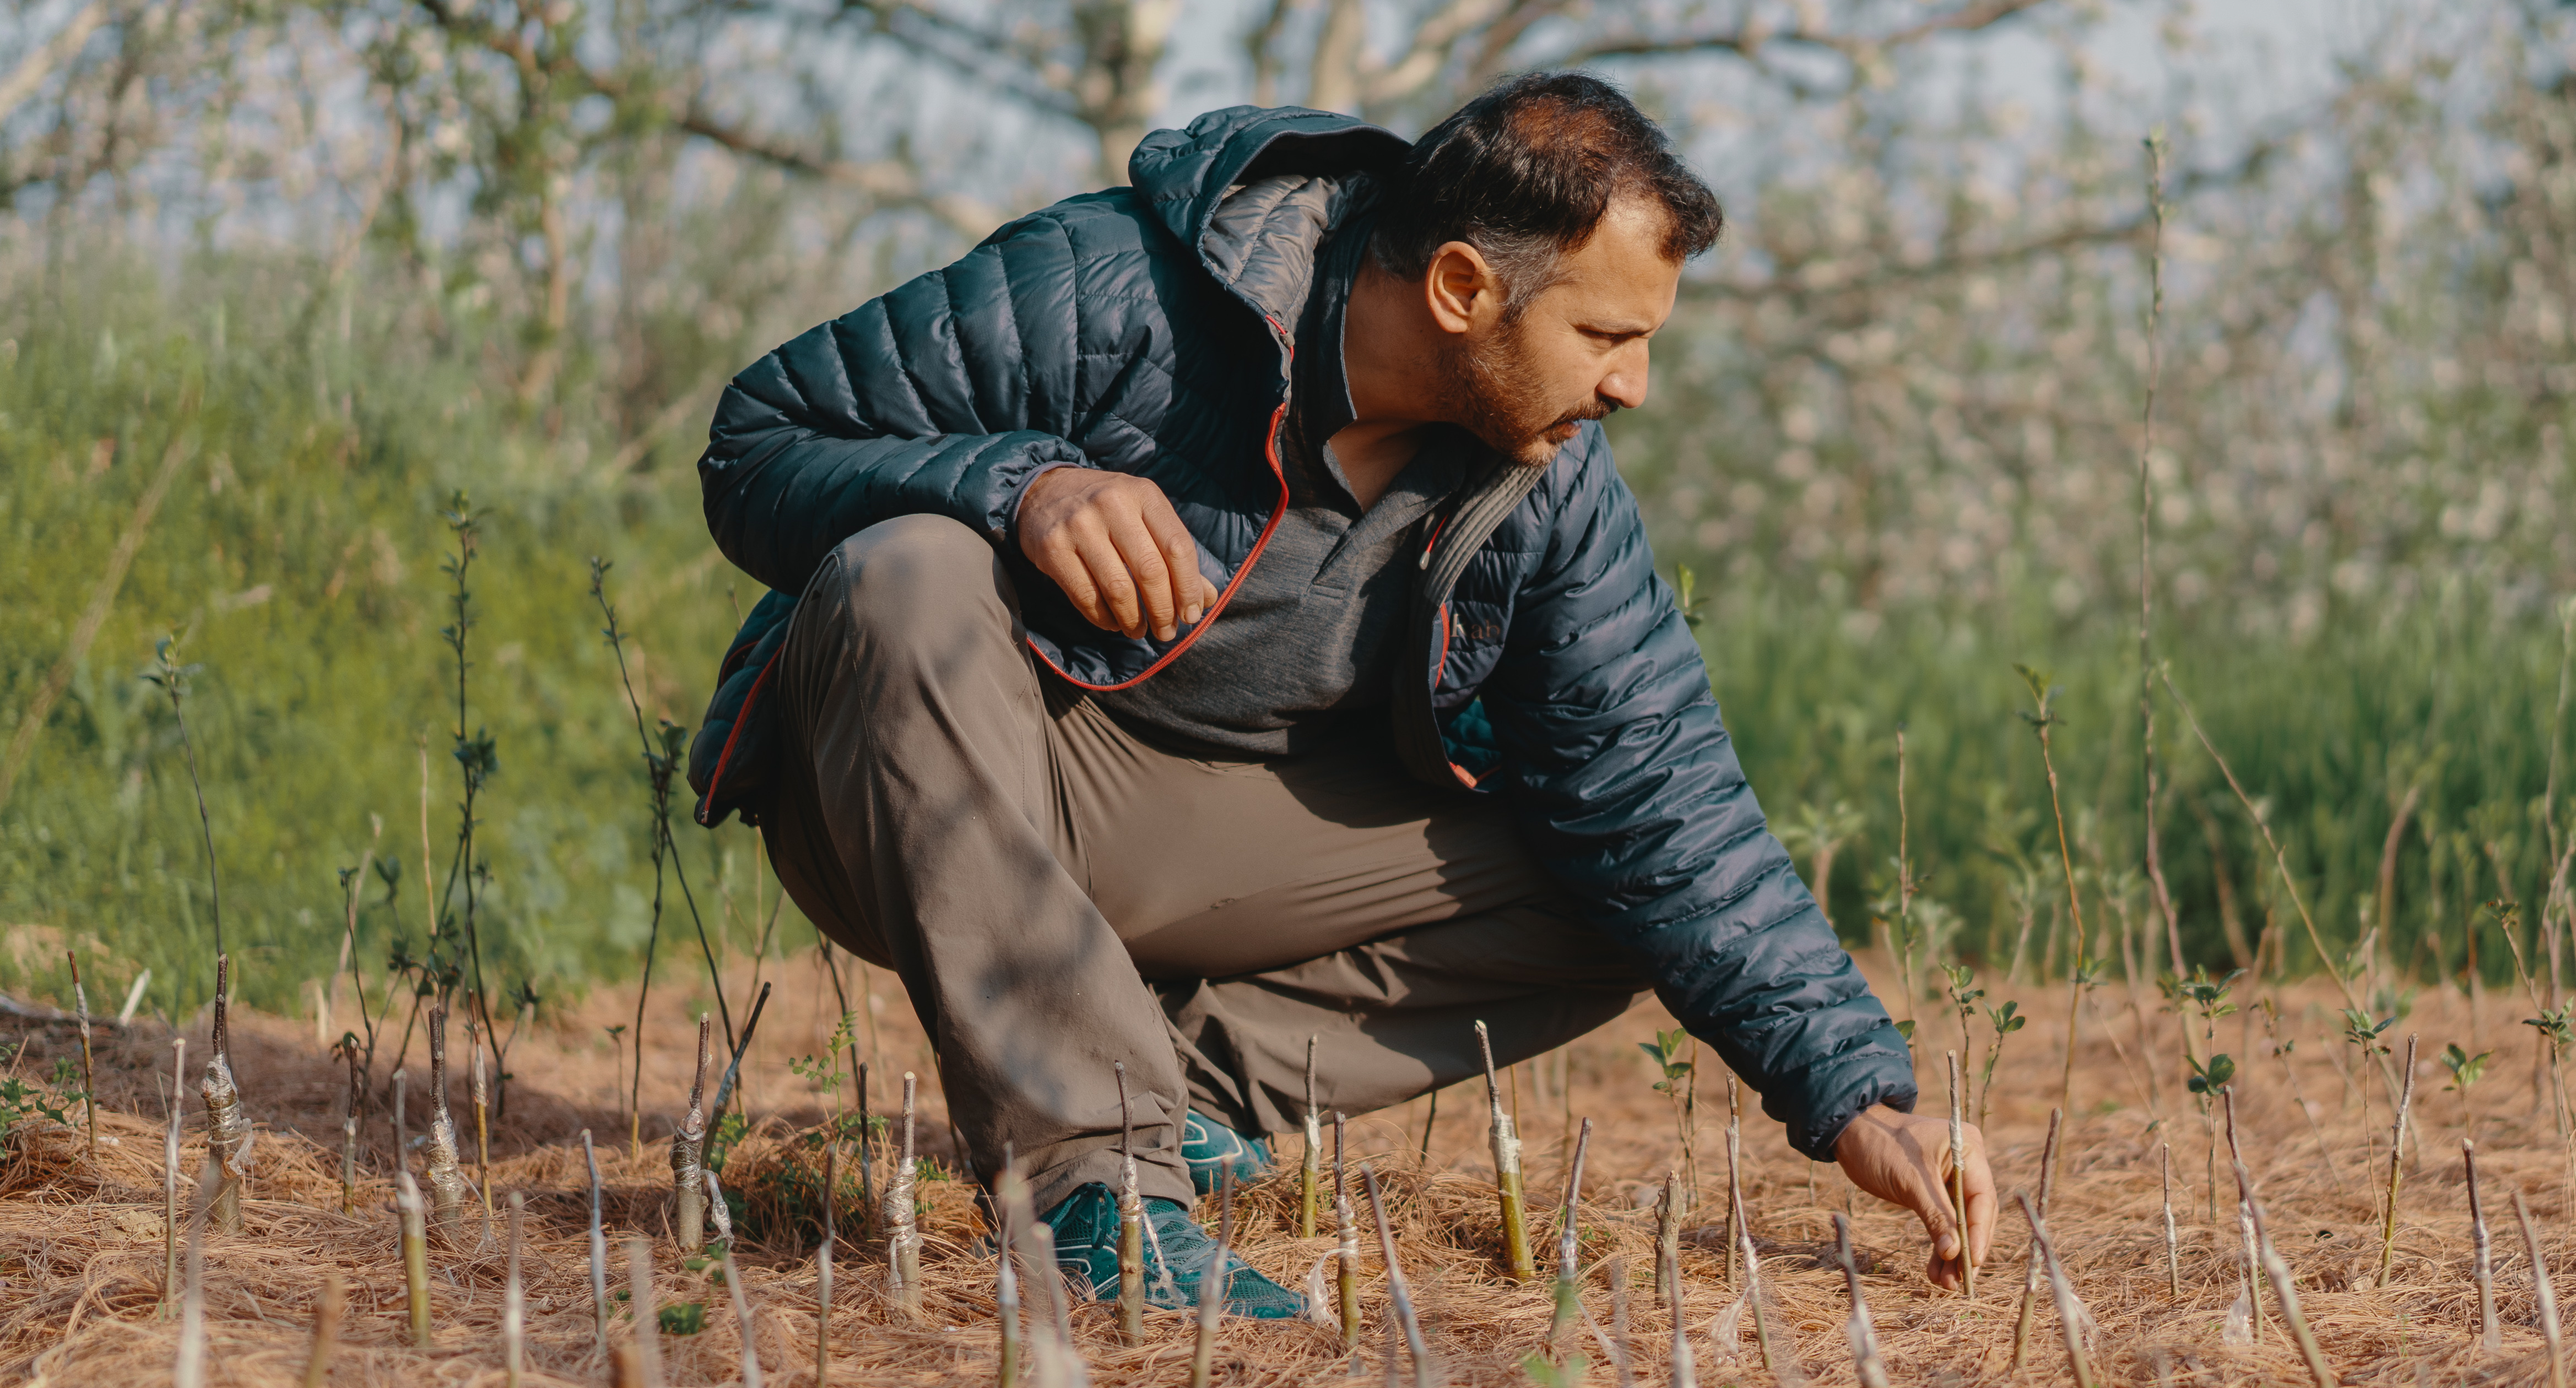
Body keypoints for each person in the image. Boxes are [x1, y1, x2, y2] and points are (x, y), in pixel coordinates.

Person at [688, 72, 1994, 1315]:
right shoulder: (1113, 287)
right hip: (932, 783)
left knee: (1621, 889)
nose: (1630, 385)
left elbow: (1666, 794)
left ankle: (1176, 1099)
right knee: (903, 569)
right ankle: (1095, 1183)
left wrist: (1861, 1099)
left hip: (1200, 840)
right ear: (1464, 286)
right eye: (1606, 335)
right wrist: (1020, 488)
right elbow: (759, 442)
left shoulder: (1549, 482)